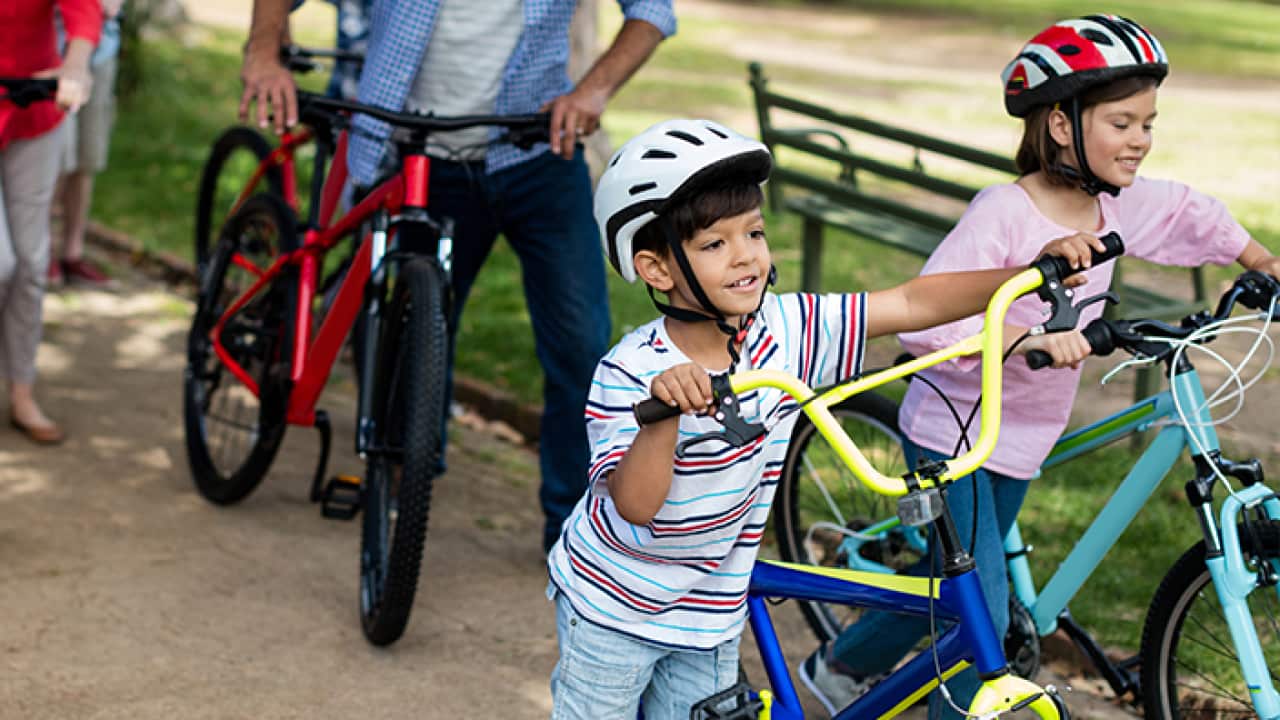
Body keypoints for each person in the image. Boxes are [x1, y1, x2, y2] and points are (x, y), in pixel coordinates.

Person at [799, 15, 1280, 719]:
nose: (1141, 139)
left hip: (1023, 436)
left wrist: (1260, 260)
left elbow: (1187, 214)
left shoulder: (1113, 204)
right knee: (983, 618)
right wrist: (1025, 338)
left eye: (1148, 122)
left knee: (952, 579)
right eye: (1122, 123)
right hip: (955, 435)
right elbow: (930, 321)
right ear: (1060, 124)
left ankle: (838, 666)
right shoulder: (1004, 212)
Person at [544, 118, 1102, 720]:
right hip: (615, 610)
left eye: (754, 232)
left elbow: (909, 302)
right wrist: (663, 419)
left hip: (709, 613)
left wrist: (1023, 275)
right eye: (714, 245)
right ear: (657, 269)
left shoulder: (786, 331)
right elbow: (635, 504)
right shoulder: (631, 371)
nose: (746, 256)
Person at [239, 0, 675, 553]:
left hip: (537, 148)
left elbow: (652, 10)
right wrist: (263, 49)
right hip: (421, 149)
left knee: (580, 345)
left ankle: (577, 528)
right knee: (414, 331)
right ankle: (403, 481)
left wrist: (593, 91)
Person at [1, 0, 99, 445]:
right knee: (1, 264)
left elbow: (82, 7)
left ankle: (22, 392)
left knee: (31, 263)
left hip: (35, 101)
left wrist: (75, 63)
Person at [49, 0, 123, 288]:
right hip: (53, 51)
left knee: (86, 159)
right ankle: (43, 252)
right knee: (55, 161)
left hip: (101, 51)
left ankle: (72, 253)